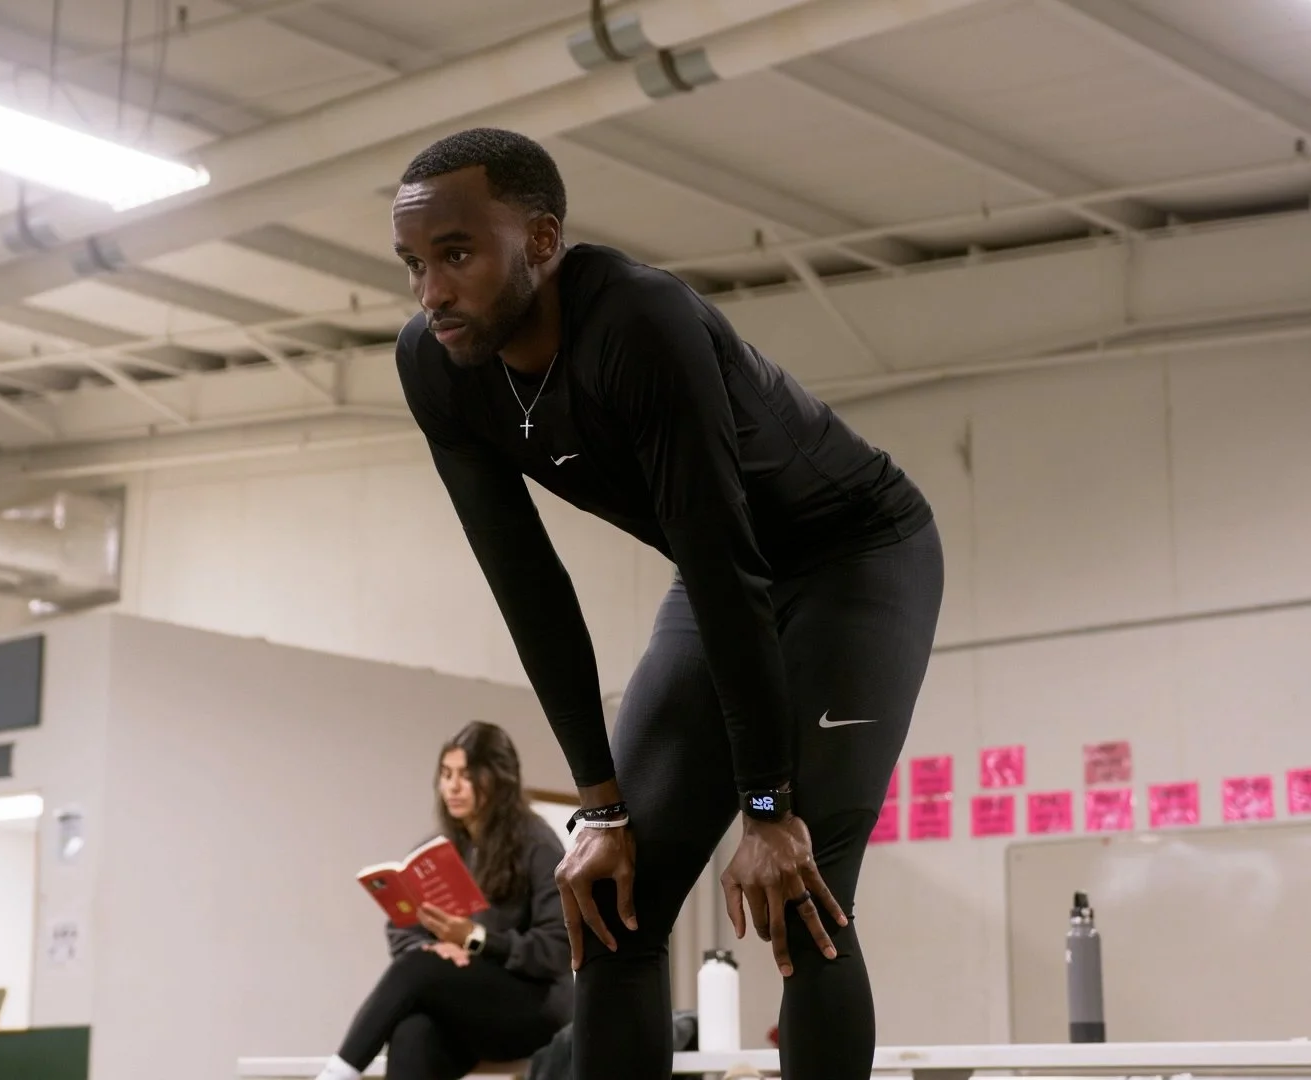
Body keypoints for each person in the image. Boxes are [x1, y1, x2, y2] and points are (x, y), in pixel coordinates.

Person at [389, 128, 945, 1080]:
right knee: (610, 905)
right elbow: (529, 588)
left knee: (801, 899)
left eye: (456, 255)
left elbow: (729, 568)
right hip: (715, 569)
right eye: (412, 264)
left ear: (542, 241)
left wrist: (768, 808)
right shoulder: (437, 365)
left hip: (855, 555)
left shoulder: (640, 323)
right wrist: (597, 810)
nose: (431, 292)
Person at [317, 721, 572, 1080]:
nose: (452, 786)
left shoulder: (538, 844)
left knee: (416, 969)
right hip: (469, 1005)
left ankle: (337, 1073)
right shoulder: (439, 848)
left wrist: (476, 940)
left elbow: (555, 948)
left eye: (466, 776)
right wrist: (438, 951)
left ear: (499, 779)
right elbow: (403, 929)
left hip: (533, 1007)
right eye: (446, 774)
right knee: (413, 1031)